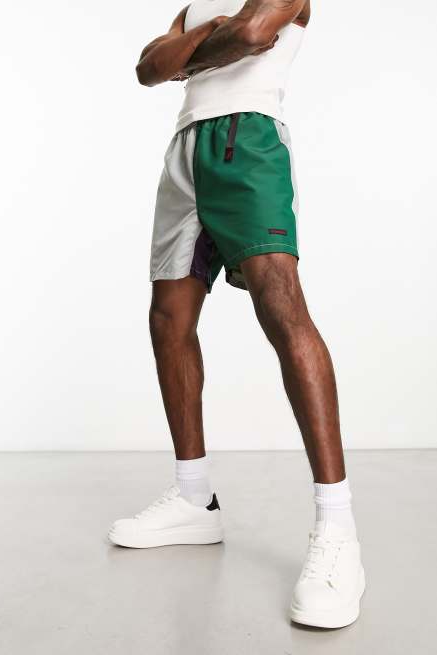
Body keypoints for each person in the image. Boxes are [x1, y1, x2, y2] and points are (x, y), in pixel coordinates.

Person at [108, 0, 365, 629]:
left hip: (248, 139)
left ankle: (337, 528)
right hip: (186, 148)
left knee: (283, 311)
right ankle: (194, 498)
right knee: (168, 317)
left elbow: (252, 33)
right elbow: (147, 69)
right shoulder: (194, 5)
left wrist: (190, 54)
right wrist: (210, 35)